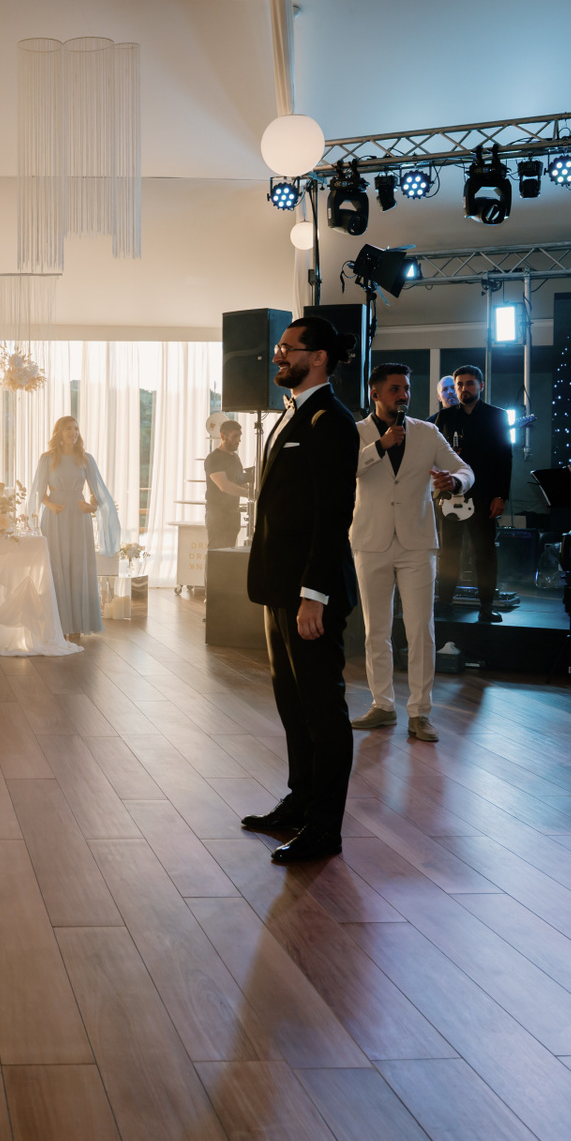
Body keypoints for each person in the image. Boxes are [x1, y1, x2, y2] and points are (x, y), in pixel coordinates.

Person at [241, 318, 359, 864]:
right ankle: (300, 801)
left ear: (319, 357)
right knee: (292, 704)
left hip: (312, 593)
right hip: (281, 587)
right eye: (279, 347)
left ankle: (324, 828)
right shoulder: (293, 413)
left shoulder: (330, 420)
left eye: (288, 348)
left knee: (322, 710)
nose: (278, 356)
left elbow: (332, 515)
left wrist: (315, 594)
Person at [349, 363, 473, 743]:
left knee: (421, 630)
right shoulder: (357, 432)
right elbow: (343, 470)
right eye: (394, 389)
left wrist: (455, 481)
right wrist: (380, 446)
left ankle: (420, 712)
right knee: (376, 630)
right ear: (375, 394)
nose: (403, 395)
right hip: (370, 541)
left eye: (406, 388)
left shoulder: (427, 432)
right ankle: (382, 705)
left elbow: (465, 470)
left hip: (417, 543)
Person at [434, 365, 513, 624]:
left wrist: (500, 495)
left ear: (481, 385)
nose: (464, 388)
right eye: (460, 384)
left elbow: (505, 458)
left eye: (469, 383)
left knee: (484, 551)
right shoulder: (444, 417)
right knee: (448, 551)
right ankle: (444, 602)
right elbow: (432, 454)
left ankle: (486, 606)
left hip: (484, 496)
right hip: (450, 496)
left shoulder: (497, 416)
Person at [28, 415, 119, 638]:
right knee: (56, 565)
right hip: (55, 516)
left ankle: (77, 624)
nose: (73, 432)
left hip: (79, 516)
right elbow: (39, 492)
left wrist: (92, 506)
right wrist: (50, 504)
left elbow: (97, 492)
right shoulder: (47, 458)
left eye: (76, 429)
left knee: (78, 566)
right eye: (68, 428)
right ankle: (58, 625)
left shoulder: (85, 459)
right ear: (59, 432)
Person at [204, 413, 251, 548]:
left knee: (229, 554)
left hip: (233, 515)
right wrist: (250, 494)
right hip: (217, 516)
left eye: (239, 436)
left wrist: (253, 489)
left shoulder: (235, 458)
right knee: (217, 554)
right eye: (235, 436)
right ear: (223, 436)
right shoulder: (214, 458)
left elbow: (240, 481)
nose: (238, 440)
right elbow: (224, 486)